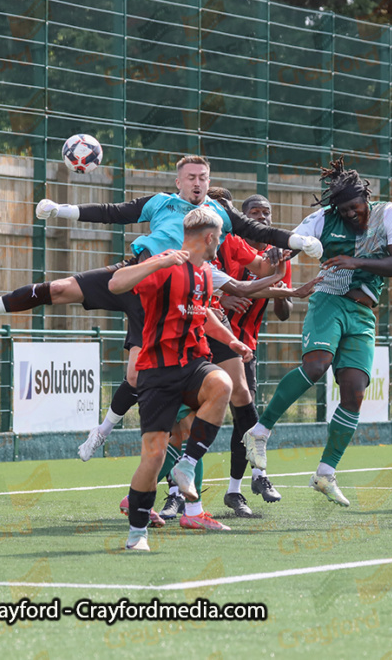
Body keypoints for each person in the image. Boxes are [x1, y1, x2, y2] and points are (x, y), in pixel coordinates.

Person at [0, 156, 321, 457]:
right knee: (58, 288)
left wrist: (299, 241)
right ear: (178, 182)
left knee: (148, 377)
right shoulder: (160, 203)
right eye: (190, 177)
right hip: (134, 275)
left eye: (203, 177)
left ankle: (109, 433)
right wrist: (62, 211)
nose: (197, 182)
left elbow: (260, 235)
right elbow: (113, 212)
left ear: (209, 182)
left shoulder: (219, 216)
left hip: (169, 299)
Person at [242, 157, 392, 507]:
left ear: (366, 196)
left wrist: (357, 261)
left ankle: (325, 473)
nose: (352, 214)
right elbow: (294, 240)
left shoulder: (389, 214)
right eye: (344, 210)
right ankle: (260, 431)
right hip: (329, 302)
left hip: (363, 313)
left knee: (354, 392)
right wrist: (281, 250)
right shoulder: (322, 218)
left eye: (356, 207)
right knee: (317, 365)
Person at [108, 206, 252, 550]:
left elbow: (202, 314)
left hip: (191, 365)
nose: (221, 242)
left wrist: (230, 339)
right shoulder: (166, 264)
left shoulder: (204, 272)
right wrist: (157, 262)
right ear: (211, 237)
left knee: (223, 384)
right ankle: (137, 534)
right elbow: (115, 284)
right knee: (153, 456)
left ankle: (186, 466)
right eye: (221, 238)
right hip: (156, 374)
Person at [215, 194, 295, 518]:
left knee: (243, 419)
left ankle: (237, 491)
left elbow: (285, 311)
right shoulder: (228, 243)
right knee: (188, 419)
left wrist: (281, 275)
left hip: (244, 347)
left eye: (267, 213)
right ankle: (176, 492)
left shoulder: (274, 255)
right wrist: (226, 298)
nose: (262, 218)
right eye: (255, 213)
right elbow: (209, 287)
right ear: (241, 217)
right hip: (211, 341)